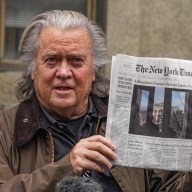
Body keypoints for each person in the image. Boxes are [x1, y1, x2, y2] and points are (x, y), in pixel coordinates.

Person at [0, 10, 191, 192]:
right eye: (51, 60)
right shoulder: (4, 130)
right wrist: (66, 167)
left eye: (76, 61)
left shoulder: (129, 119)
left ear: (94, 71)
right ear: (33, 70)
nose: (64, 72)